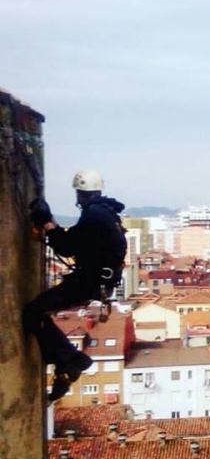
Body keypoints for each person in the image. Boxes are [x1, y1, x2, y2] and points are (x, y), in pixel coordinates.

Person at [24, 169, 127, 403]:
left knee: (33, 312)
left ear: (80, 193)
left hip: (87, 281)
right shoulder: (107, 214)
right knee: (39, 311)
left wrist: (48, 223)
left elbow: (67, 247)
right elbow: (80, 242)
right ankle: (66, 362)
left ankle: (69, 359)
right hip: (97, 281)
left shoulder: (93, 216)